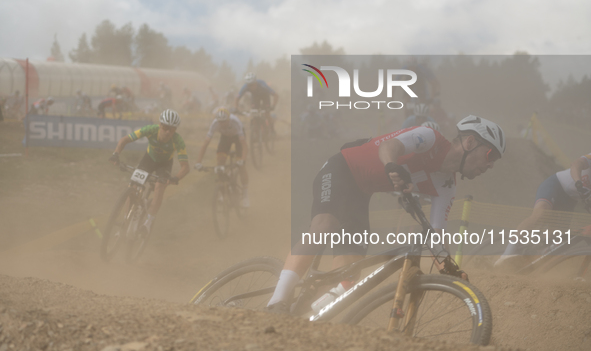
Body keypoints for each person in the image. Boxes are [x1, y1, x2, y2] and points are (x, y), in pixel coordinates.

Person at [265, 115, 506, 313]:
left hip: (360, 194)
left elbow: (436, 233)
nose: (490, 165)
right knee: (324, 226)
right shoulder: (431, 138)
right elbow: (389, 147)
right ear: (471, 142)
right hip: (341, 169)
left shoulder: (447, 186)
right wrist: (392, 165)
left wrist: (449, 267)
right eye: (490, 156)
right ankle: (276, 302)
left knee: (350, 274)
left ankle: (305, 314)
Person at [495, 153, 591, 267]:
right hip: (556, 185)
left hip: (569, 200)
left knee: (554, 239)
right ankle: (506, 255)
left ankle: (530, 261)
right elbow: (575, 165)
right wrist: (578, 183)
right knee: (541, 214)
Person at [109, 109, 189, 234]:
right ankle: (125, 222)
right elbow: (125, 139)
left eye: (172, 129)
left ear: (175, 130)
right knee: (133, 186)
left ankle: (148, 223)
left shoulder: (178, 140)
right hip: (149, 159)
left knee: (159, 187)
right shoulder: (151, 129)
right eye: (166, 127)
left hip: (165, 164)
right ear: (160, 125)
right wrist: (115, 154)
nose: (168, 132)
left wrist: (176, 178)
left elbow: (185, 167)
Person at [194, 107, 250, 207]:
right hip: (225, 138)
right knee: (220, 164)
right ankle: (223, 192)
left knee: (241, 166)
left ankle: (245, 195)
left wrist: (243, 159)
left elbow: (244, 145)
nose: (222, 124)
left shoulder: (236, 122)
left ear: (229, 119)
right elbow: (205, 144)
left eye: (224, 121)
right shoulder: (215, 124)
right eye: (220, 122)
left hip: (238, 138)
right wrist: (198, 162)